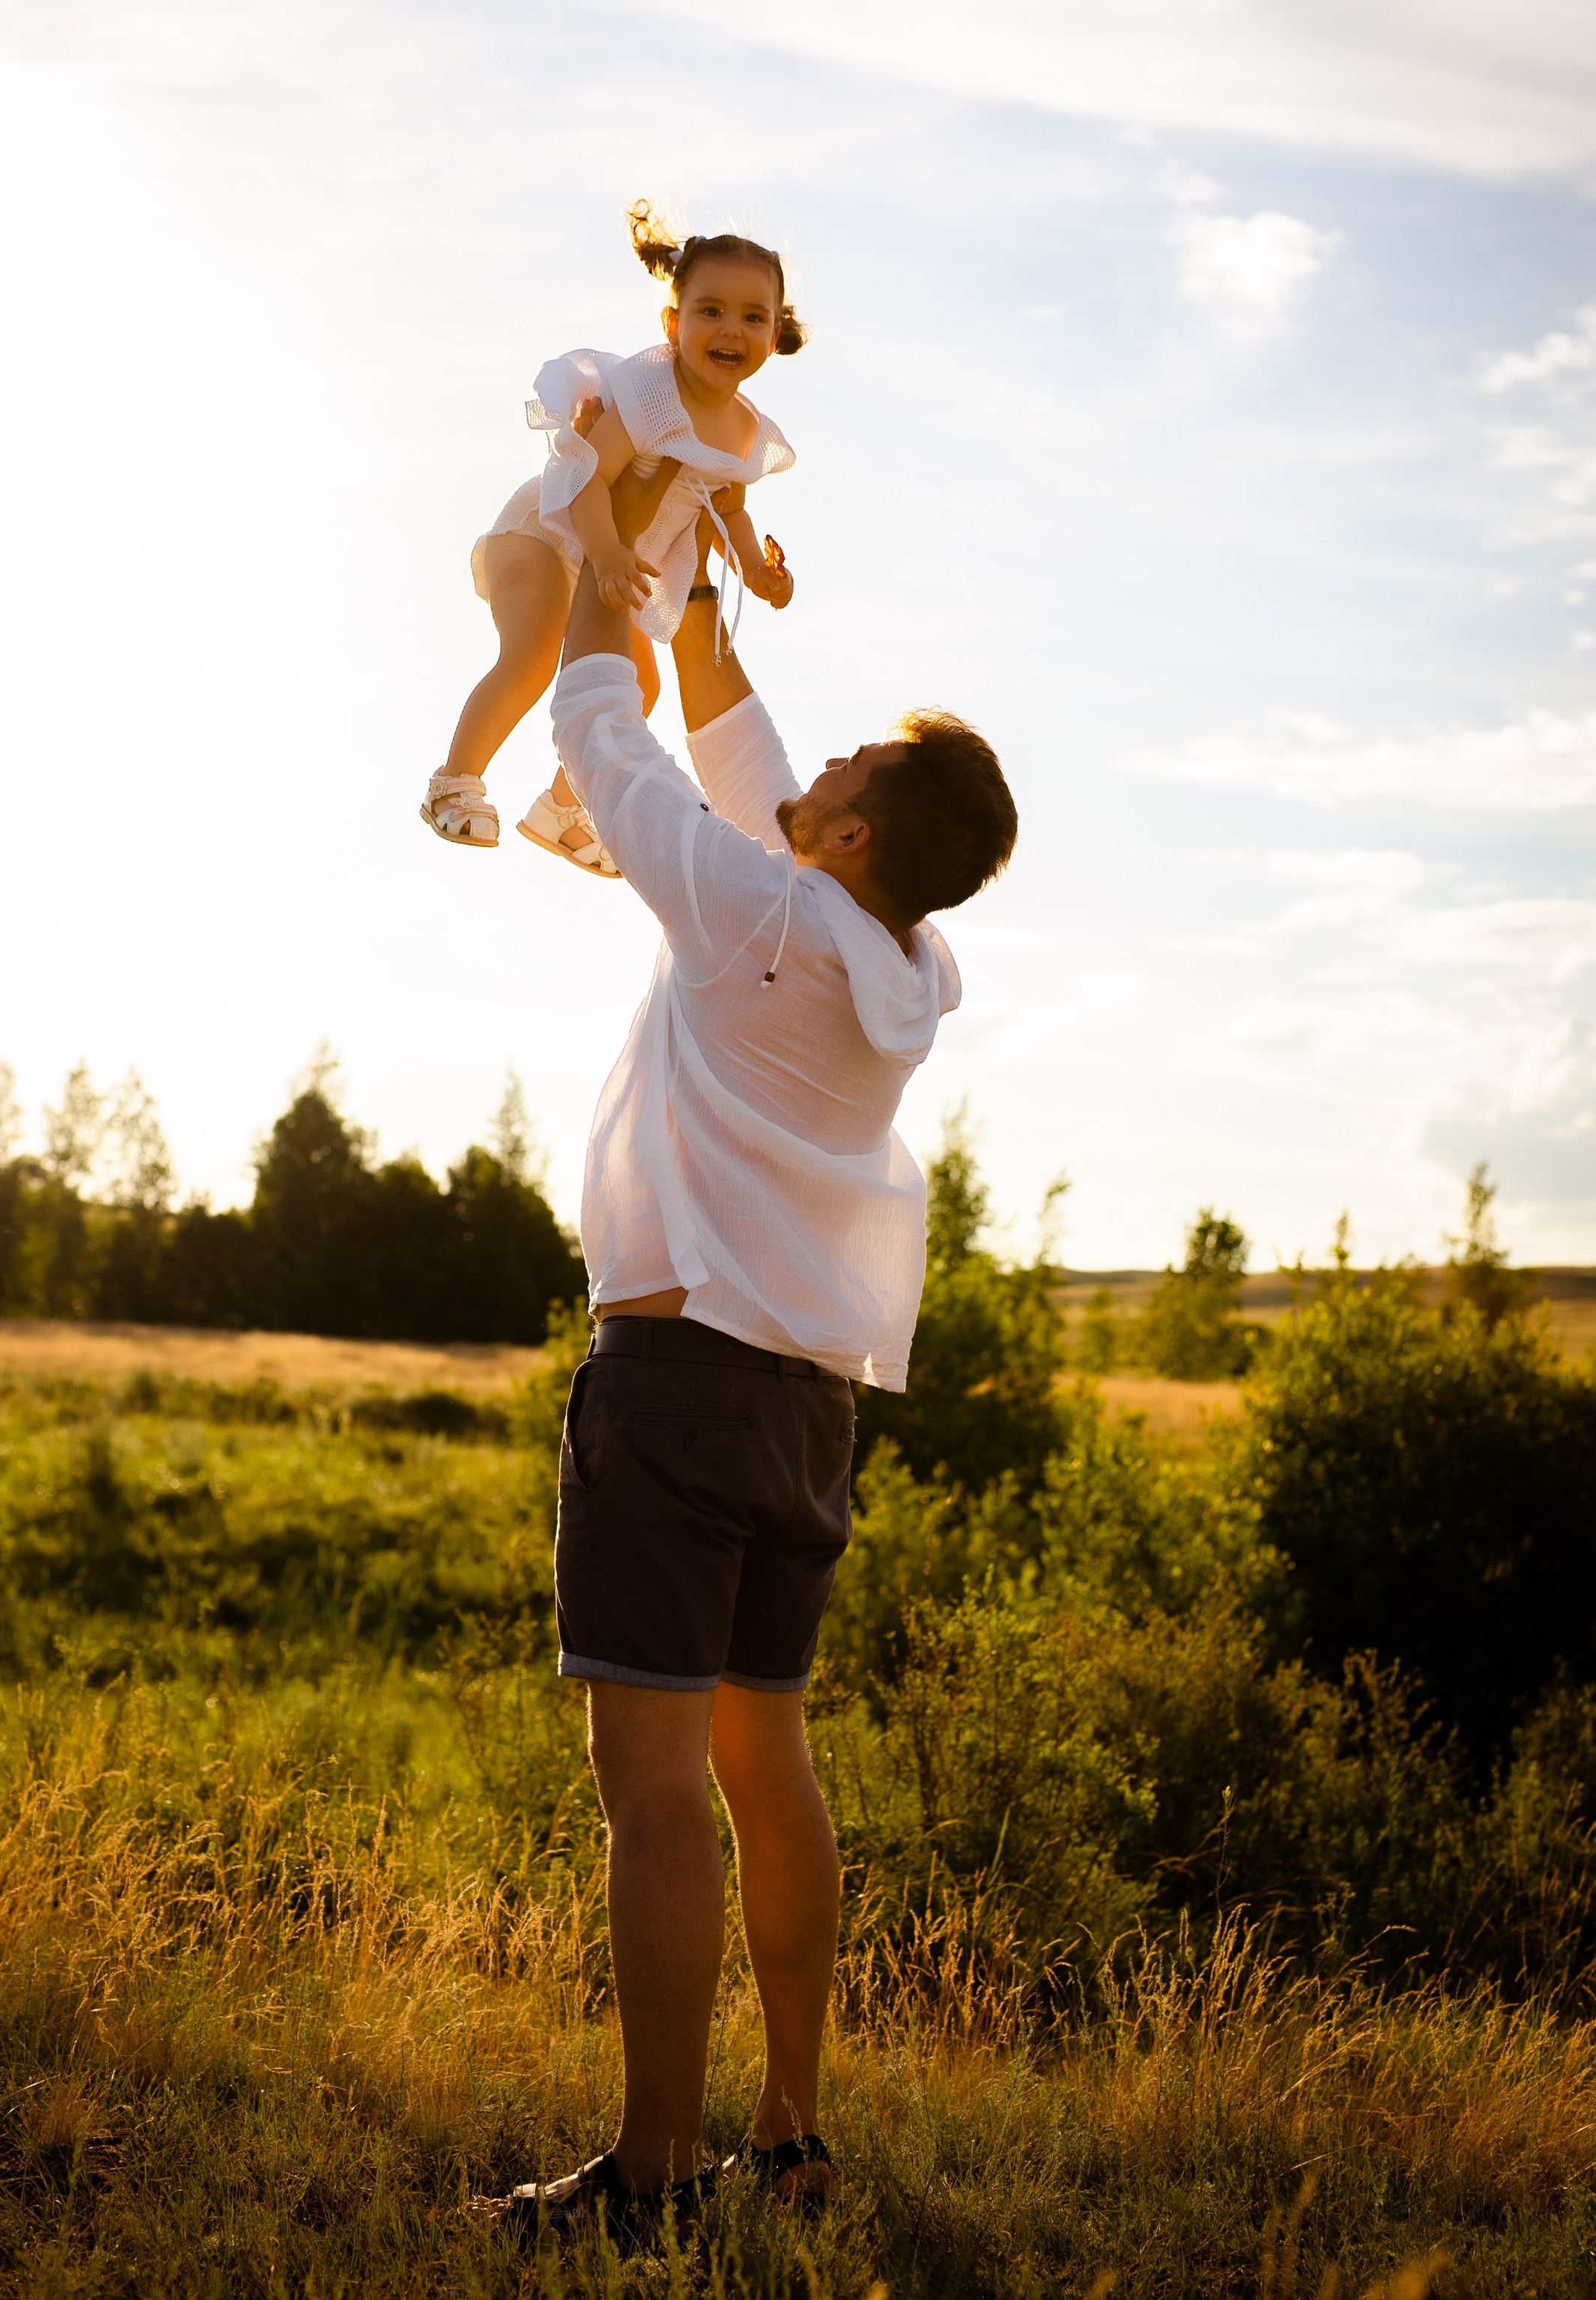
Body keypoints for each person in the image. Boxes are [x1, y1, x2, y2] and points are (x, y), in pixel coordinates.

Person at [483, 475, 1018, 2243]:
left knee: (651, 1802)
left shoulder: (742, 906)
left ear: (854, 833)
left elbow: (603, 732)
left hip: (674, 1392)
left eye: (852, 771)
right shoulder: (894, 959)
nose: (826, 770)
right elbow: (743, 762)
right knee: (765, 1765)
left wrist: (577, 556)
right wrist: (693, 578)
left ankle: (645, 2174)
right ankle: (788, 2131)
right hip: (804, 1414)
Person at [422, 200, 800, 876]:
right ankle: (455, 780)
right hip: (555, 529)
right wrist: (604, 552)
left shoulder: (744, 429)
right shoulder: (653, 389)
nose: (730, 330)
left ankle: (565, 811)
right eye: (709, 310)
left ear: (775, 334)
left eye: (752, 316)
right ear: (673, 322)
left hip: (618, 563)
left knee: (635, 690)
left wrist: (757, 570)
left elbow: (730, 509)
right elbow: (590, 474)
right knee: (535, 657)